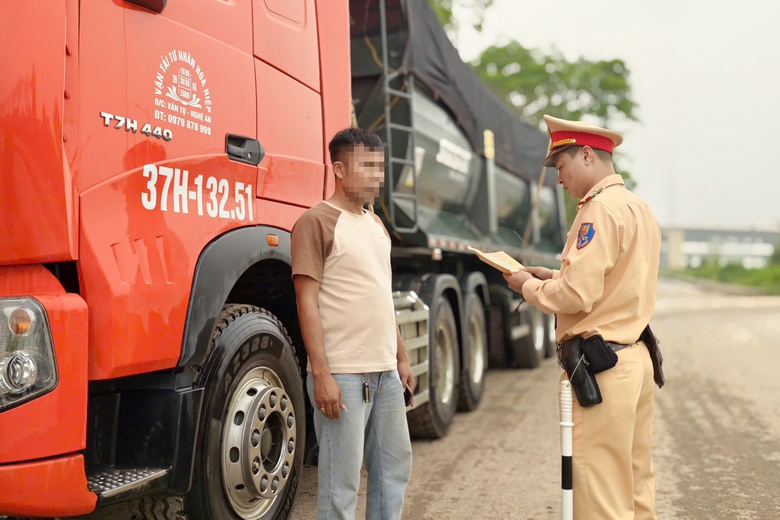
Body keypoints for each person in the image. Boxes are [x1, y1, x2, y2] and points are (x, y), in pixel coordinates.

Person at [504, 115, 662, 520]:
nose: (559, 179)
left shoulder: (598, 211)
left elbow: (578, 294)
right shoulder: (637, 207)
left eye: (561, 166)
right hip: (635, 360)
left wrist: (525, 285)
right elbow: (616, 282)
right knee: (635, 486)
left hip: (604, 368)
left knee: (600, 497)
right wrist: (553, 276)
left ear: (587, 155)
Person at [291, 127, 414, 520]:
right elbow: (306, 302)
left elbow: (382, 295)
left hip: (385, 374)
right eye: (368, 167)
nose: (378, 176)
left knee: (393, 471)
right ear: (340, 169)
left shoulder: (376, 225)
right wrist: (322, 374)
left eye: (380, 167)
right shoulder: (315, 222)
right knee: (339, 485)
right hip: (343, 375)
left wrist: (402, 356)